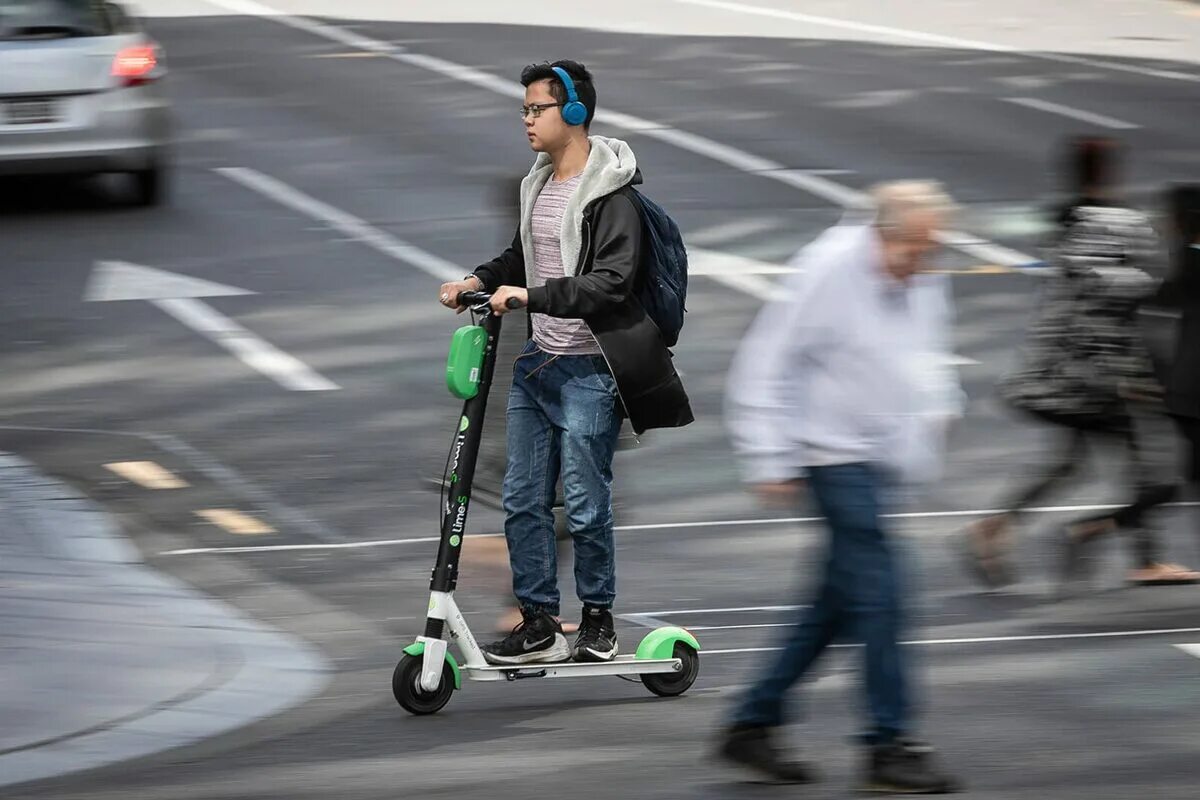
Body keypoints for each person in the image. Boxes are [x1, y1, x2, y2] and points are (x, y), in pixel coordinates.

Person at [437, 60, 692, 665]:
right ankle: (540, 621)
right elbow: (523, 256)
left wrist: (531, 296)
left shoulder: (613, 199)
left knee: (583, 501)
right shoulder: (539, 185)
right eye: (524, 109)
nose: (525, 119)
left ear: (573, 113)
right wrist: (480, 279)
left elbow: (608, 283)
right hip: (539, 364)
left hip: (590, 373)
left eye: (536, 109)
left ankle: (598, 620)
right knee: (524, 498)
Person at [718, 181, 962, 793]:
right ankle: (889, 740)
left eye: (931, 252)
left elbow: (927, 352)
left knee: (835, 607)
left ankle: (753, 722)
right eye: (914, 251)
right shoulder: (829, 267)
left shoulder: (918, 268)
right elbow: (766, 359)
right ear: (883, 234)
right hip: (829, 454)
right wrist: (768, 454)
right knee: (884, 591)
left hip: (879, 460)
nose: (923, 266)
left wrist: (938, 405)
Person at [963, 139, 1198, 588]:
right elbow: (1127, 298)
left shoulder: (1069, 223)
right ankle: (1138, 555)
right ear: (1108, 173)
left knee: (1076, 462)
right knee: (1145, 464)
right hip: (1098, 373)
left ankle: (995, 528)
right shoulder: (1115, 225)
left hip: (1064, 367)